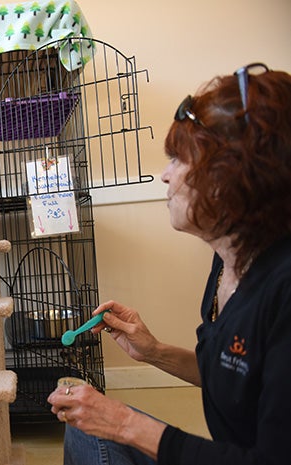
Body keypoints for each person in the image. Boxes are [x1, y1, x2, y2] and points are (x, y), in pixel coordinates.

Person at [48, 63, 291, 465]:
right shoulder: (227, 261)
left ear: (232, 175)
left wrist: (125, 424)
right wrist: (154, 351)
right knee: (85, 430)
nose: (165, 175)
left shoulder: (282, 291)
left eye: (179, 159)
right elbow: (237, 376)